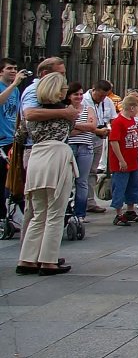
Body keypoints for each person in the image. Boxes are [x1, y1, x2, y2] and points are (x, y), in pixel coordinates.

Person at [16, 72, 77, 275]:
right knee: (55, 213)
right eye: (63, 87)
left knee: (37, 212)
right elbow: (70, 125)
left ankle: (27, 259)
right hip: (57, 156)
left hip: (36, 156)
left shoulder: (32, 115)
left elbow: (20, 135)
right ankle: (48, 261)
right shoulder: (67, 112)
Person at [108, 95, 138, 226]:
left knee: (134, 185)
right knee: (120, 186)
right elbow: (114, 141)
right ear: (131, 108)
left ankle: (130, 210)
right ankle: (118, 214)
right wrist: (121, 159)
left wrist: (136, 151)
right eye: (137, 108)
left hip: (132, 160)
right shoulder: (118, 122)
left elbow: (132, 137)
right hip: (122, 162)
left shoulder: (131, 120)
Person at [82, 80, 117, 214]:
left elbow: (112, 119)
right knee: (81, 173)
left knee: (92, 171)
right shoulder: (84, 100)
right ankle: (78, 200)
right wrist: (96, 130)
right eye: (100, 96)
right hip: (84, 139)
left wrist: (110, 129)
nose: (102, 99)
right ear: (93, 90)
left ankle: (90, 201)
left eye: (105, 96)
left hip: (99, 139)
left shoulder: (107, 101)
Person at [65, 82, 97, 222]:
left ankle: (80, 214)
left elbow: (93, 126)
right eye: (75, 94)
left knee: (82, 181)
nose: (79, 97)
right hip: (69, 147)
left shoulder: (88, 108)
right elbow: (66, 132)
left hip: (86, 147)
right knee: (66, 181)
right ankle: (66, 211)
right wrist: (85, 127)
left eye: (80, 94)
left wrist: (74, 125)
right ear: (69, 96)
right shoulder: (65, 110)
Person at [0, 58, 26, 218]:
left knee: (16, 179)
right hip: (1, 140)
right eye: (9, 68)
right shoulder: (10, 88)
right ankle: (2, 217)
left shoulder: (15, 91)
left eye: (15, 68)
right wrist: (14, 84)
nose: (13, 71)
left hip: (12, 139)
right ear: (1, 71)